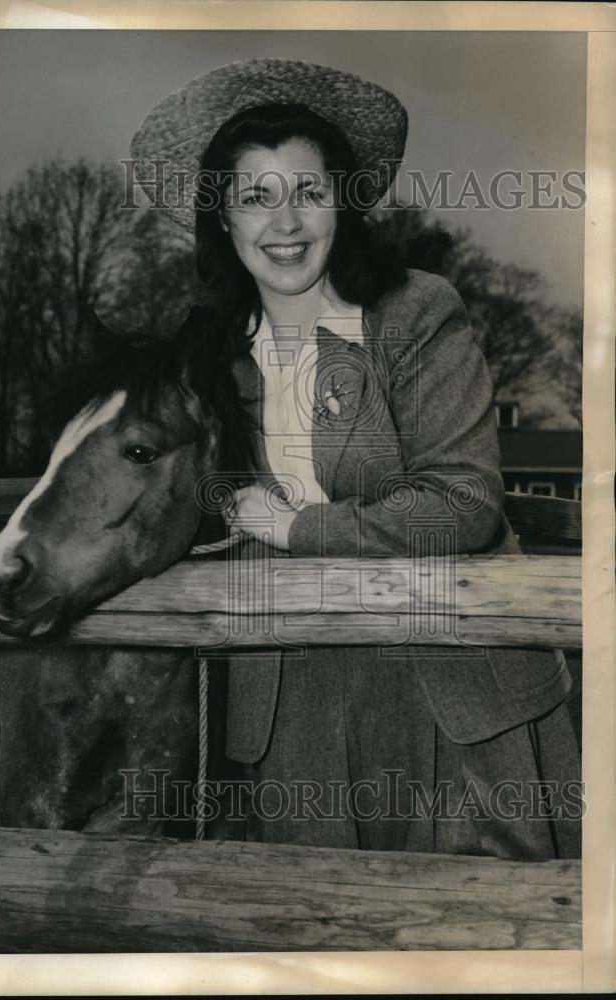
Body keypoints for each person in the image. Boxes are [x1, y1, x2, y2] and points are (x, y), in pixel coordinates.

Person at [130, 58, 581, 858]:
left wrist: (296, 527)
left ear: (344, 201)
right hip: (290, 705)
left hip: (451, 691)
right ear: (223, 222)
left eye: (308, 192)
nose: (286, 222)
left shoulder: (413, 313)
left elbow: (462, 505)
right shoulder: (206, 359)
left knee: (480, 942)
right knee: (314, 937)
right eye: (255, 197)